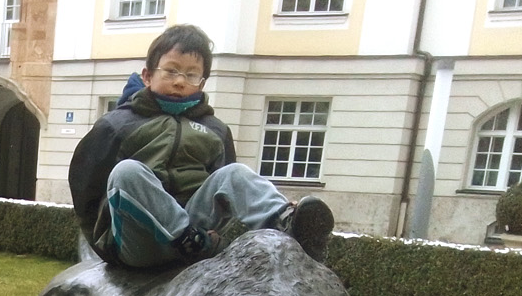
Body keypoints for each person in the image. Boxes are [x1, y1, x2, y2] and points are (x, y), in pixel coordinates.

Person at [68, 24, 334, 268]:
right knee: (127, 172)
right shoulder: (116, 125)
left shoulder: (215, 130)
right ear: (147, 75)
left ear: (202, 82)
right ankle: (185, 237)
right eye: (171, 71)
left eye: (191, 74)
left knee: (235, 173)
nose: (180, 81)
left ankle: (287, 222)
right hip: (140, 237)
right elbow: (85, 189)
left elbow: (227, 194)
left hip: (196, 232)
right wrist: (104, 244)